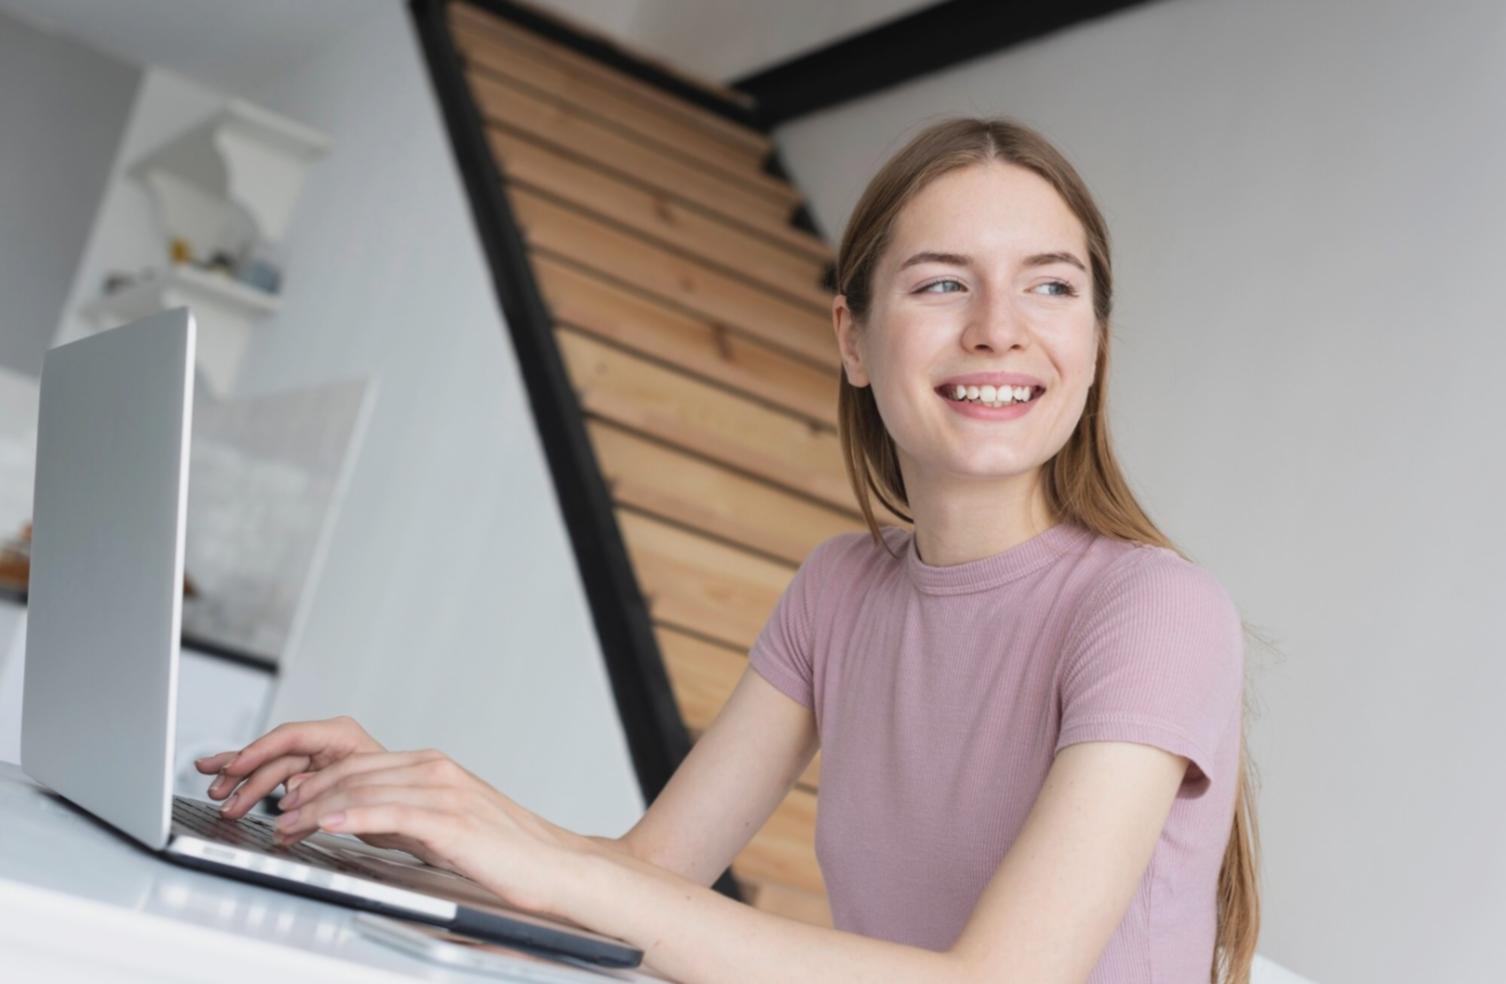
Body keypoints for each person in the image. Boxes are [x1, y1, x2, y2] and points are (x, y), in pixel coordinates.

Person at [197, 117, 1261, 983]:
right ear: (852, 337)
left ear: (1095, 342)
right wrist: (421, 809)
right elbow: (648, 879)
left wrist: (527, 854)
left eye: (1051, 285)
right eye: (943, 282)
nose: (998, 327)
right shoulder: (840, 588)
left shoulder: (1155, 611)